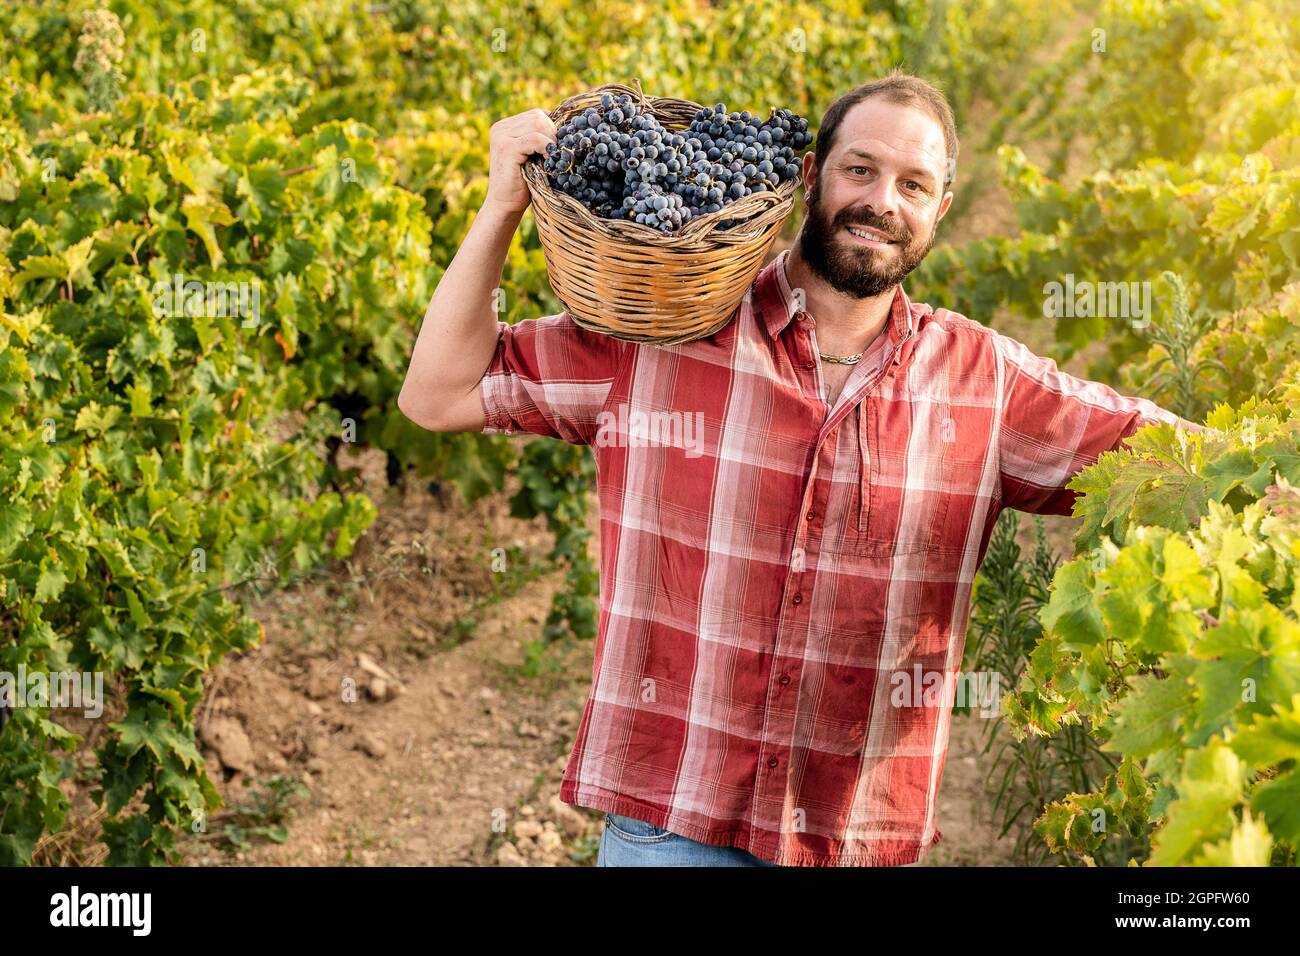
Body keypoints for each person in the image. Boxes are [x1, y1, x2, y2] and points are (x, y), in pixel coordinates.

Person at [397, 69, 1202, 867]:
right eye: (861, 169)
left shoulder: (983, 382)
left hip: (852, 839)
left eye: (913, 184)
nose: (882, 201)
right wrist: (503, 205)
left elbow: (1165, 456)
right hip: (675, 823)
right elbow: (439, 393)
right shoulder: (666, 331)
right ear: (812, 176)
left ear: (940, 209)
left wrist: (1271, 475)